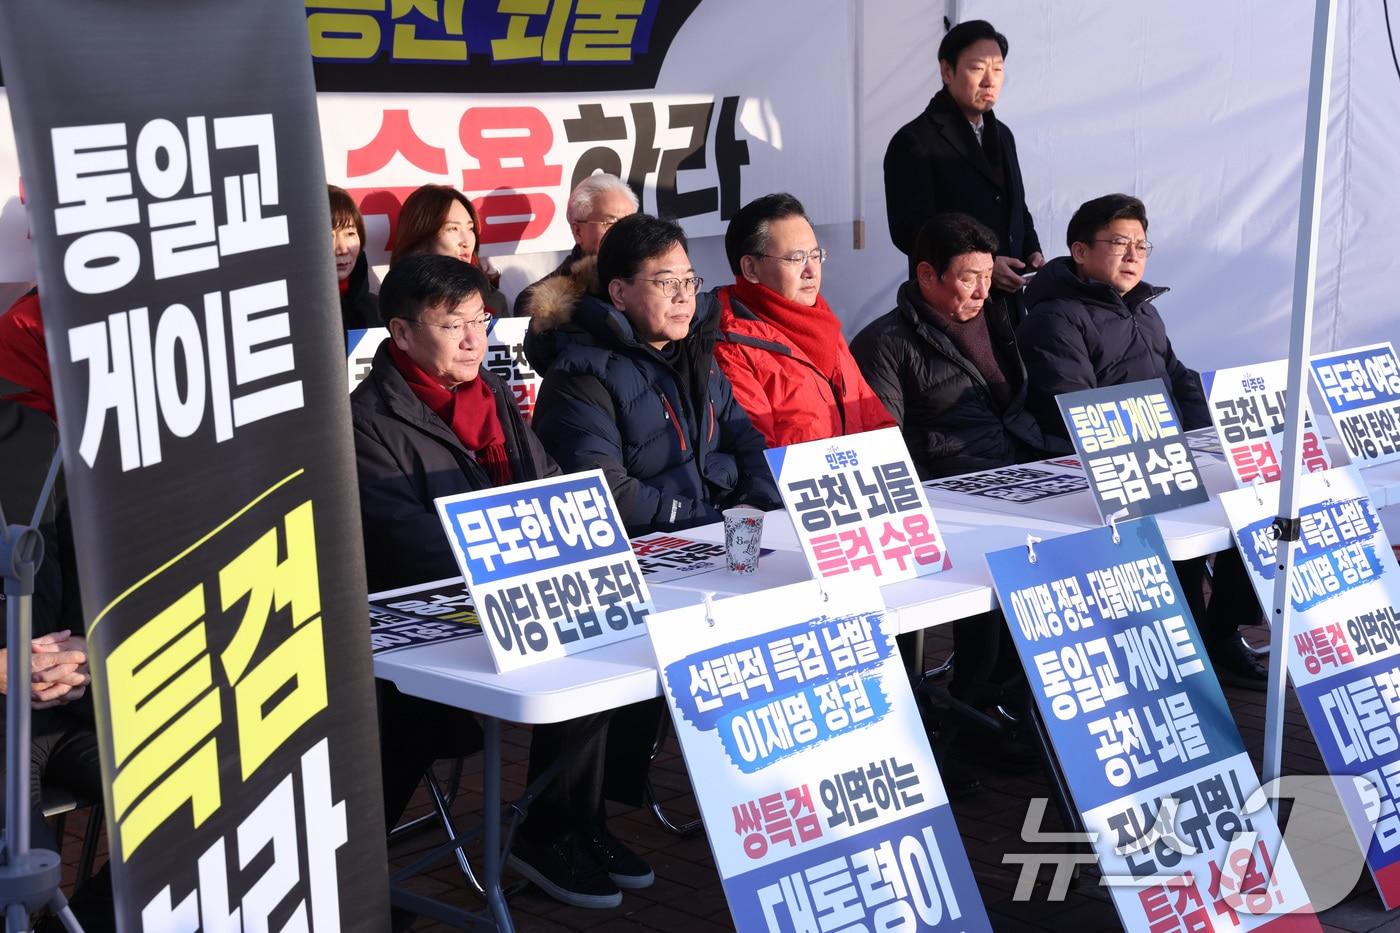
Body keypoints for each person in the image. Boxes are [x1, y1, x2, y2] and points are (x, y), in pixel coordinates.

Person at [350, 255, 651, 911]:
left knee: (608, 652)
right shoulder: (367, 420)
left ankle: (567, 824)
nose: (472, 338)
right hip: (423, 625)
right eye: (452, 323)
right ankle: (358, 882)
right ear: (399, 333)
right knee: (411, 718)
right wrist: (521, 551)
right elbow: (407, 544)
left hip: (507, 600)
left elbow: (551, 488)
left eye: (480, 320)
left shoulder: (489, 395)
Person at [1018, 194, 1265, 687]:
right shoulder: (1056, 316)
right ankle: (1193, 645)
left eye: (1141, 245)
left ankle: (1220, 631)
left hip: (1163, 456)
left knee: (1256, 497)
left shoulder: (1144, 311)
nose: (1133, 255)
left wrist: (1210, 437)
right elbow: (1072, 405)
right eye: (1118, 243)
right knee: (1184, 528)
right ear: (1080, 252)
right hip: (1099, 469)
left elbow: (1179, 377)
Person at [851, 214, 1064, 738]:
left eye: (988, 276)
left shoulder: (998, 317)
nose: (983, 289)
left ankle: (1012, 703)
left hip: (1015, 476)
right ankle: (969, 716)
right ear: (927, 275)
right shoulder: (884, 342)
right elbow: (887, 447)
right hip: (950, 497)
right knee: (991, 602)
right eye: (969, 277)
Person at [528, 213, 781, 535]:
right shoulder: (579, 375)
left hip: (722, 533)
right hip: (655, 552)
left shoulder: (696, 354)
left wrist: (754, 503)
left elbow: (748, 442)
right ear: (619, 293)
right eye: (667, 283)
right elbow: (601, 492)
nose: (683, 295)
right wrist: (714, 520)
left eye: (689, 280)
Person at [0, 294, 113, 931]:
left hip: (72, 703)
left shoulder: (35, 434)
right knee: (24, 875)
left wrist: (84, 656)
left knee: (203, 810)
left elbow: (93, 567)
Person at [883, 19, 1043, 322]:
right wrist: (984, 267)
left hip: (1008, 305)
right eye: (977, 68)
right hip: (951, 308)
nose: (989, 80)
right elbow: (911, 232)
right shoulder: (914, 141)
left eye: (997, 70)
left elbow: (1015, 206)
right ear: (947, 71)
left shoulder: (1003, 134)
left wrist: (1031, 251)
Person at [712, 193, 894, 447]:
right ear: (751, 269)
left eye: (815, 255)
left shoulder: (823, 325)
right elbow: (757, 455)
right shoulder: (729, 345)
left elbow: (877, 424)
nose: (811, 271)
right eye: (796, 258)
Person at [514, 173, 638, 319]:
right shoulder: (543, 301)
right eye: (610, 222)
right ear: (578, 231)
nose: (622, 232)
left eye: (630, 222)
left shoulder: (649, 279)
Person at [390, 184, 509, 317]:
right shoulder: (397, 304)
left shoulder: (493, 301)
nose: (466, 241)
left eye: (470, 228)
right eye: (453, 229)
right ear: (422, 235)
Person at [328, 185, 380, 333]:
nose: (343, 249)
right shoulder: (290, 315)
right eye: (328, 235)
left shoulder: (377, 310)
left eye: (350, 233)